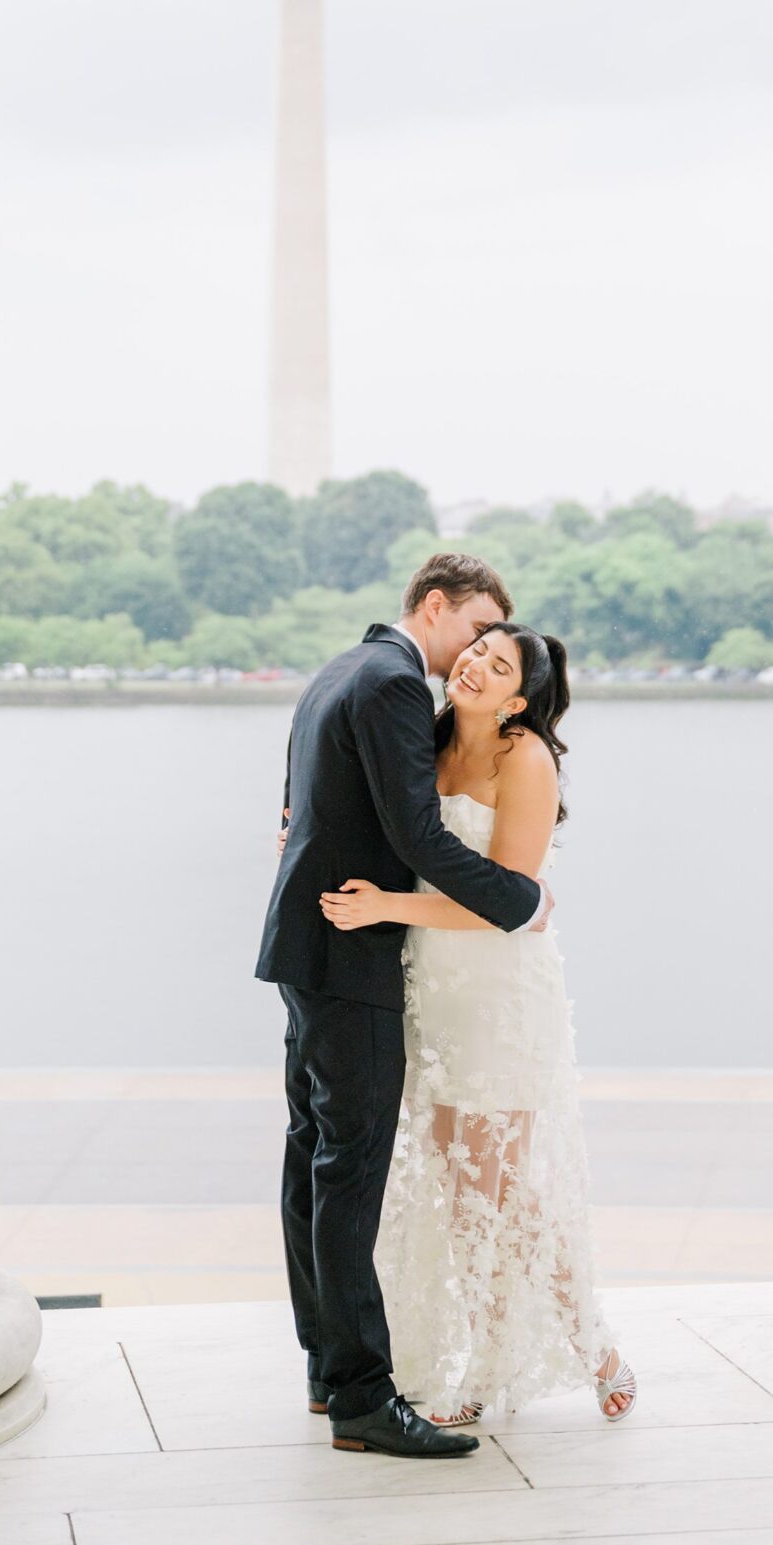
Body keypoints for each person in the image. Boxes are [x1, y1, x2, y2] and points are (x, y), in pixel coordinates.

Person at [254, 552, 547, 1460]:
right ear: (434, 606)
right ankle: (360, 1400)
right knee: (348, 1171)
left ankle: (324, 1368)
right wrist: (512, 898)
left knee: (313, 1156)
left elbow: (304, 799)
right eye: (476, 629)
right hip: (352, 957)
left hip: (310, 946)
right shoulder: (389, 683)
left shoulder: (342, 667)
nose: (477, 649)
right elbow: (412, 829)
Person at [321, 620, 636, 1427]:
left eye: (497, 667)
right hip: (432, 988)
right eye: (475, 652)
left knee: (491, 1192)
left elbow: (506, 904)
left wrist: (386, 906)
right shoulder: (423, 744)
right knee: (477, 1193)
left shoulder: (523, 759)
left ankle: (513, 1361)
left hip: (499, 995)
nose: (474, 666)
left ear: (518, 700)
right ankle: (570, 1345)